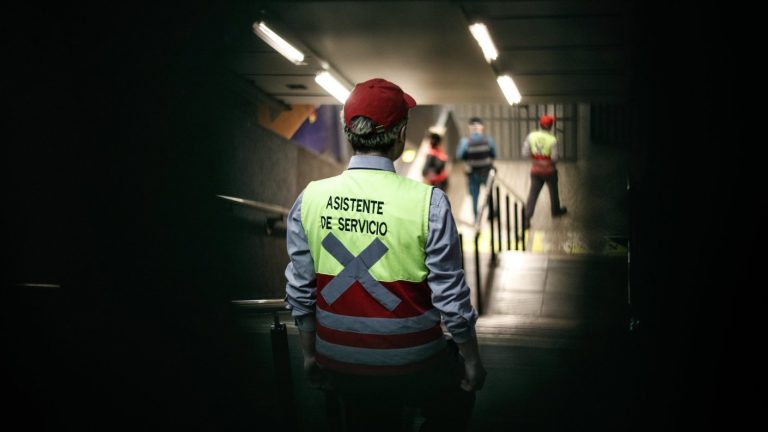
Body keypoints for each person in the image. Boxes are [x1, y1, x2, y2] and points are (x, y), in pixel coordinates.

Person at [284, 78, 486, 431]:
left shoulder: (309, 198)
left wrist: (310, 354)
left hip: (338, 360)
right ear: (401, 133)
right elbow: (451, 298)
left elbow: (301, 290)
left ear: (348, 133)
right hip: (415, 363)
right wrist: (471, 361)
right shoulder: (429, 203)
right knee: (457, 393)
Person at [523, 114, 567, 227]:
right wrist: (546, 162)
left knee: (533, 194)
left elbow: (525, 153)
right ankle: (555, 211)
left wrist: (536, 160)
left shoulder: (531, 136)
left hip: (536, 171)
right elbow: (554, 158)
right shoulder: (553, 140)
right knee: (554, 192)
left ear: (540, 124)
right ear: (551, 126)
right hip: (549, 172)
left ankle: (527, 218)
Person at [456, 117, 497, 220]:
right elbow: (494, 154)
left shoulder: (465, 141)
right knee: (488, 192)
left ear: (469, 127)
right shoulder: (488, 139)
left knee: (475, 195)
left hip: (473, 173)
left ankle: (476, 217)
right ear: (481, 127)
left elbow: (459, 155)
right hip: (486, 171)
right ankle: (491, 215)